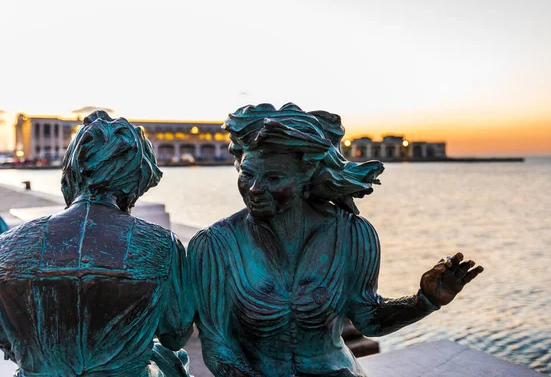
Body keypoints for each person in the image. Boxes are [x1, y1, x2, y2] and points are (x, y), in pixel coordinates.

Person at [189, 103, 484, 377]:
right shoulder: (214, 246)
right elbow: (218, 344)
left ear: (307, 176)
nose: (254, 188)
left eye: (274, 178)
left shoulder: (354, 235)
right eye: (247, 173)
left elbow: (369, 318)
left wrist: (426, 300)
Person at [0, 110, 193, 377]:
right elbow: (176, 335)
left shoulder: (8, 247)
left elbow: (7, 340)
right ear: (132, 184)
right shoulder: (161, 245)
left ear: (72, 171)